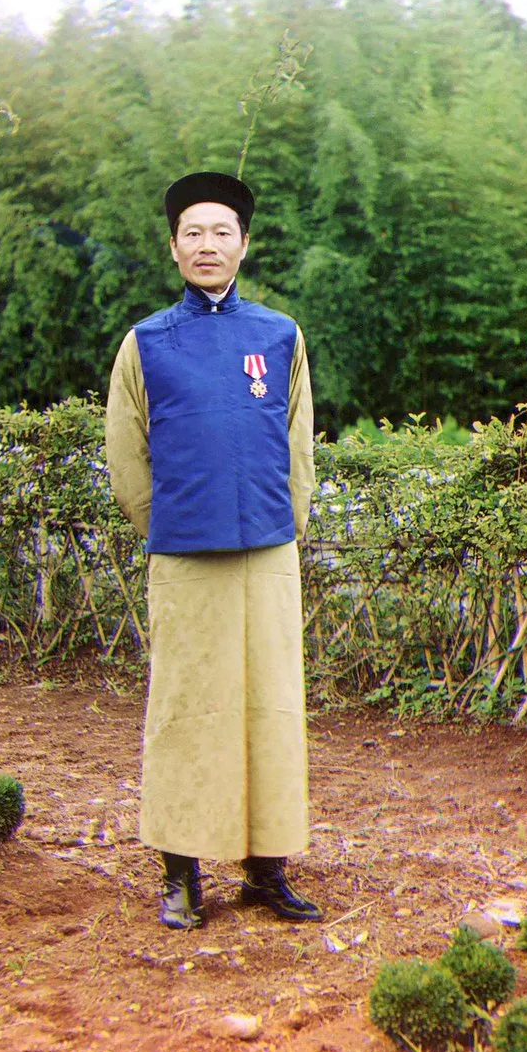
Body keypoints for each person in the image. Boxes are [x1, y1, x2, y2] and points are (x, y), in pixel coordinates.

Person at [104, 171, 322, 931]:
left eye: (220, 231)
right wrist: (169, 524)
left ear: (244, 244)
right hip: (186, 555)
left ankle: (267, 870)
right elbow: (127, 458)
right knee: (188, 707)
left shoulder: (279, 334)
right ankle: (181, 871)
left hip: (268, 553)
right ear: (173, 248)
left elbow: (299, 446)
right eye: (192, 232)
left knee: (270, 706)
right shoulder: (147, 343)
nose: (207, 244)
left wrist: (282, 525)